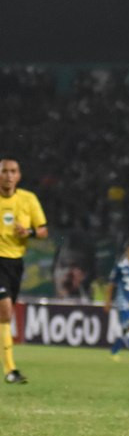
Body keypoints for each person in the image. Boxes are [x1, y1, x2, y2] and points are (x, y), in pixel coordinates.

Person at [0, 158, 48, 385]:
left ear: (18, 176)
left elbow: (43, 231)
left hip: (15, 263)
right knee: (5, 310)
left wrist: (27, 233)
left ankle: (9, 370)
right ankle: (10, 369)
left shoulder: (28, 199)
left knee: (5, 314)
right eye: (4, 171)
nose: (8, 175)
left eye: (13, 172)